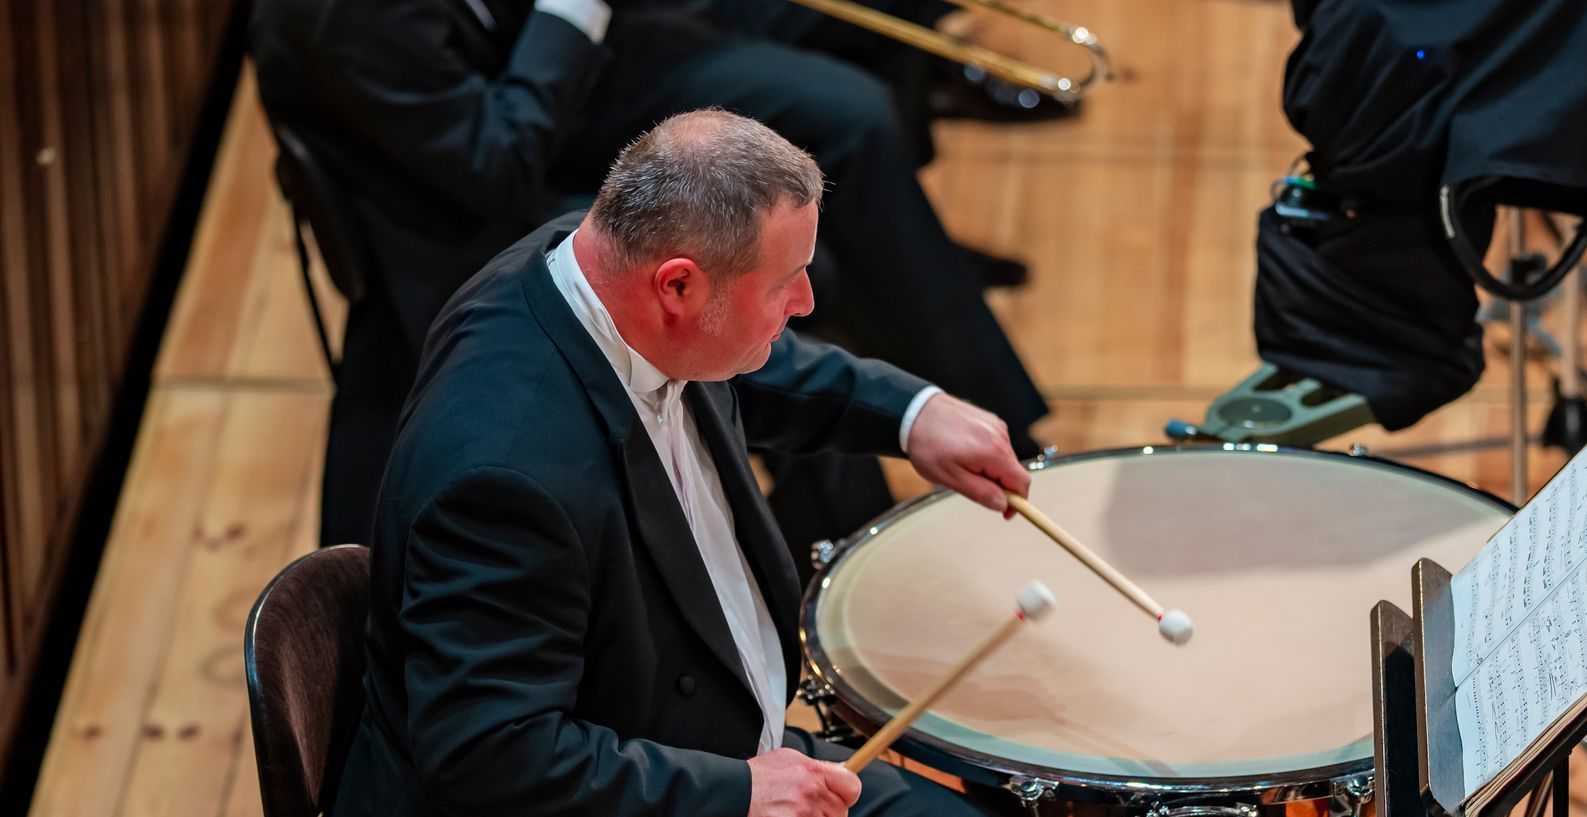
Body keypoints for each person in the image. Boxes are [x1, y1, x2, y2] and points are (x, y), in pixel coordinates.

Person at [244, 109, 1036, 817]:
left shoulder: (593, 276)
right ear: (675, 284)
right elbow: (485, 753)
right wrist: (732, 799)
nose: (804, 300)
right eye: (786, 280)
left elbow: (752, 357)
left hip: (709, 761)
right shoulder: (508, 472)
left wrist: (908, 412)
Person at [250, 0, 1048, 548]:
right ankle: (828, 564)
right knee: (791, 284)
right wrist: (572, 12)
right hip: (471, 204)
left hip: (555, 83)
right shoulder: (345, 18)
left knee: (847, 114)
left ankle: (999, 439)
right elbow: (496, 169)